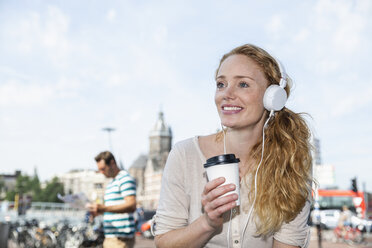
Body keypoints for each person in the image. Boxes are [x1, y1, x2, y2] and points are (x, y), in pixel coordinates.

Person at [154, 44, 313, 248]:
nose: (226, 94)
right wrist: (208, 223)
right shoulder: (184, 155)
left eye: (243, 84)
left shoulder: (292, 159)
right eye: (221, 84)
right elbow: (164, 243)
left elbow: (288, 244)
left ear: (272, 97)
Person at [87, 151, 137, 248]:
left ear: (112, 163)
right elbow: (111, 209)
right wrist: (98, 212)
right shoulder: (111, 183)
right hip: (111, 237)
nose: (101, 172)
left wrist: (104, 209)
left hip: (120, 239)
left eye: (103, 169)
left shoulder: (124, 178)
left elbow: (131, 205)